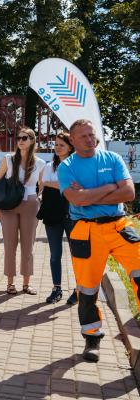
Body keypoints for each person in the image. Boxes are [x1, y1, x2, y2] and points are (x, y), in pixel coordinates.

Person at [58, 119, 138, 362]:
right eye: (83, 136)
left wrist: (90, 194)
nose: (90, 139)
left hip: (119, 225)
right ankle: (92, 339)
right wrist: (111, 186)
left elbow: (129, 192)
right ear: (72, 140)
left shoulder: (112, 159)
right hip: (86, 231)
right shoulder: (66, 167)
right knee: (88, 289)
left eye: (92, 135)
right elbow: (77, 200)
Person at [0, 127, 45, 295]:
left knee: (28, 245)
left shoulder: (40, 163)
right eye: (19, 137)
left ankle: (26, 283)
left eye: (25, 137)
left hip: (30, 206)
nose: (21, 140)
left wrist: (36, 198)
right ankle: (10, 283)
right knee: (10, 245)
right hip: (9, 206)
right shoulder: (8, 160)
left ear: (32, 141)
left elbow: (42, 185)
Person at [38, 132, 76, 304]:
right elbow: (43, 184)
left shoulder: (76, 165)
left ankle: (79, 289)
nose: (58, 147)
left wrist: (51, 184)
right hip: (52, 212)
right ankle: (56, 289)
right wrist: (62, 185)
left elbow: (74, 187)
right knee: (55, 254)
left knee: (77, 254)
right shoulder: (48, 166)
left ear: (70, 147)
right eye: (56, 144)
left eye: (62, 144)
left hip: (73, 214)